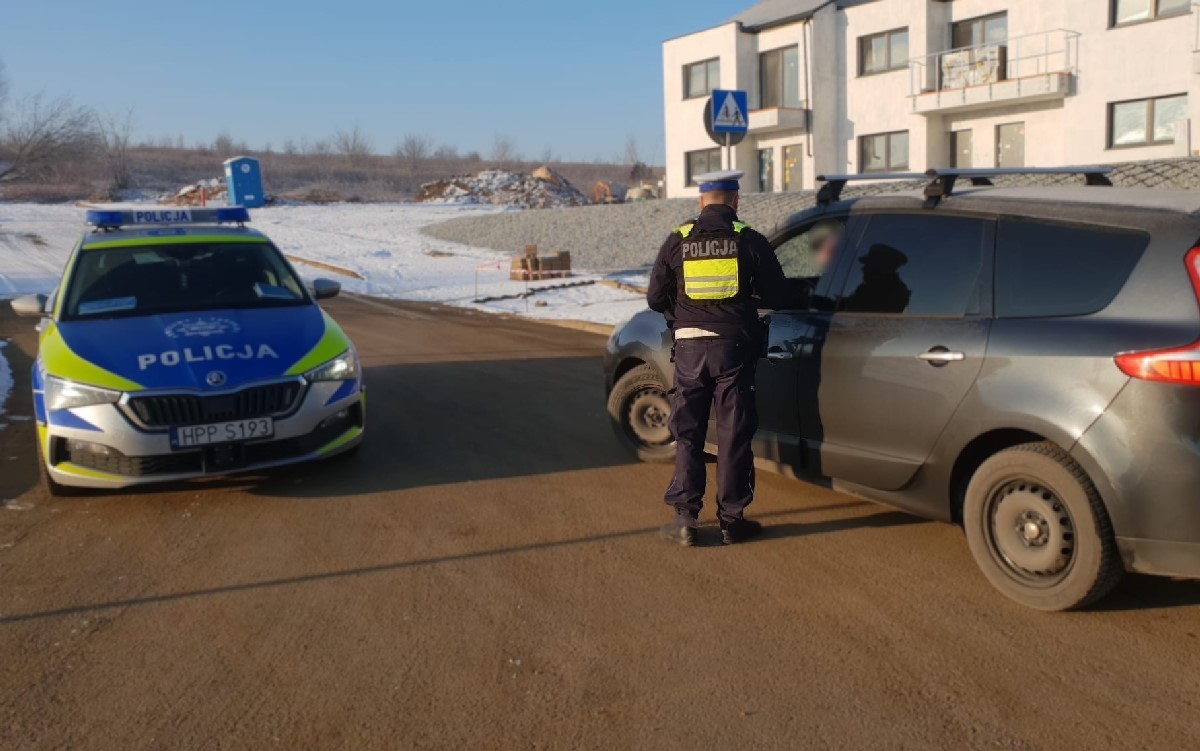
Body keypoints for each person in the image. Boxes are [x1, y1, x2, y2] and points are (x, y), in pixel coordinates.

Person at [646, 170, 801, 546]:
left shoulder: (678, 240)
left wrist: (682, 312)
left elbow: (654, 299)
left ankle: (685, 519)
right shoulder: (749, 240)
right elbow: (779, 295)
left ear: (700, 202)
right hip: (733, 349)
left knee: (689, 432)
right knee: (733, 434)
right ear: (735, 202)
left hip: (688, 350)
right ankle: (732, 520)